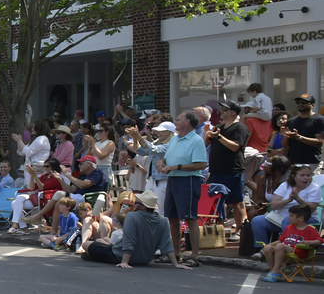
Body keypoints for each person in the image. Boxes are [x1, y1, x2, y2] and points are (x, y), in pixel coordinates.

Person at [81, 191, 190, 269]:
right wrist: (175, 264)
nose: (134, 204)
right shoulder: (163, 220)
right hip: (145, 259)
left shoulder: (132, 217)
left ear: (144, 207)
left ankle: (94, 255)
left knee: (86, 244)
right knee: (101, 243)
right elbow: (166, 243)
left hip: (120, 255)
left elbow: (129, 240)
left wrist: (125, 262)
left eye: (137, 203)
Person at [158, 109, 208, 266]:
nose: (176, 122)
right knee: (172, 217)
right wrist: (162, 162)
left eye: (178, 120)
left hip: (188, 181)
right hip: (173, 181)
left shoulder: (197, 140)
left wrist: (176, 167)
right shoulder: (174, 139)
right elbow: (166, 158)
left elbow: (201, 164)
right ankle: (175, 253)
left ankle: (194, 255)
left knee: (190, 217)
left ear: (187, 122)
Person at [248, 165, 321, 247]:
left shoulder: (315, 188)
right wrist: (288, 200)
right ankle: (262, 249)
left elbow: (311, 209)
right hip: (279, 218)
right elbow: (274, 206)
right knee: (257, 221)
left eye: (308, 175)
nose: (306, 178)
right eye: (302, 175)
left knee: (288, 219)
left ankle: (287, 247)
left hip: (304, 219)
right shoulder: (285, 185)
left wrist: (298, 199)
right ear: (294, 176)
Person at [206, 101, 250, 234]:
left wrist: (218, 136)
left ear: (233, 112)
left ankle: (239, 229)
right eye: (222, 109)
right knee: (213, 200)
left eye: (225, 109)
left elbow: (235, 146)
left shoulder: (240, 128)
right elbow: (205, 143)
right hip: (216, 170)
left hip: (232, 170)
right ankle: (216, 229)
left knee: (236, 201)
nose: (221, 111)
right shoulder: (218, 127)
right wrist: (207, 134)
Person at [259, 204, 320, 282]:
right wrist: (271, 244)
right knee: (268, 248)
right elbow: (280, 240)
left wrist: (308, 242)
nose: (288, 217)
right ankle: (273, 272)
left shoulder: (310, 230)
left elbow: (320, 241)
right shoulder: (289, 228)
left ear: (301, 218)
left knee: (280, 246)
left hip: (298, 252)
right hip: (283, 251)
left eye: (291, 216)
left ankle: (274, 271)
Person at [283, 94, 324, 171]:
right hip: (293, 162)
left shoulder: (319, 120)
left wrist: (298, 137)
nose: (300, 104)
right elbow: (285, 145)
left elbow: (319, 142)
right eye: (298, 102)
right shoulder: (291, 121)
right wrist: (285, 136)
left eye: (303, 102)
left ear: (312, 105)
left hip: (312, 162)